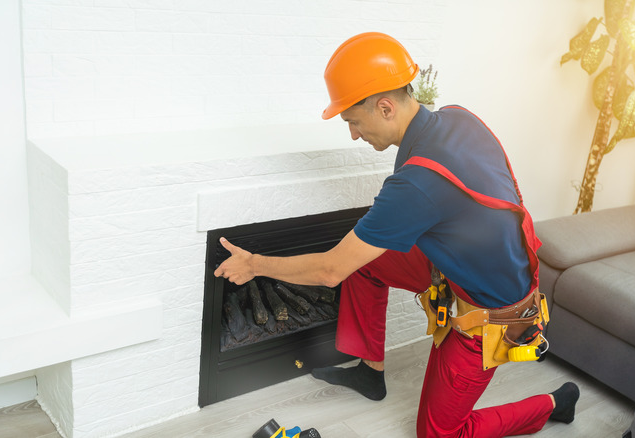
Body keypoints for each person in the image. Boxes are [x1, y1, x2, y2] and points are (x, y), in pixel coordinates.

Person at [215, 32, 579, 438]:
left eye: (353, 121)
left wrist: (254, 264)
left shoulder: (418, 183)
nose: (353, 134)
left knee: (439, 434)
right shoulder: (458, 118)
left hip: (494, 313)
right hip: (460, 268)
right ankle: (371, 373)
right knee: (365, 261)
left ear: (385, 107)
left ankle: (554, 403)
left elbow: (330, 270)